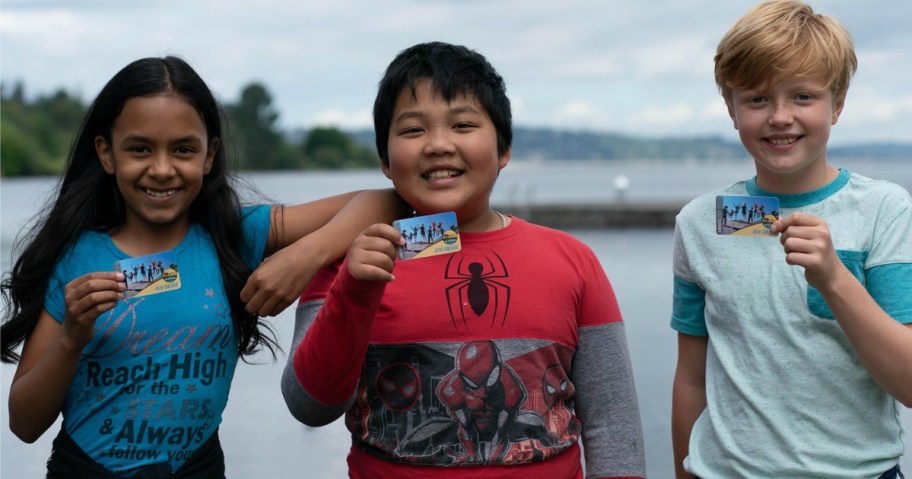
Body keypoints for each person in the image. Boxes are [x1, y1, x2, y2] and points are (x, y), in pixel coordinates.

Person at [0, 56, 405, 478]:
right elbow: (24, 424)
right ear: (106, 153)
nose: (161, 169)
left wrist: (306, 255)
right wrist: (71, 338)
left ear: (209, 155)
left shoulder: (235, 235)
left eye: (183, 150)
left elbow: (387, 201)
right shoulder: (77, 257)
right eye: (139, 149)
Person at [279, 41, 646, 479]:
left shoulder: (573, 261)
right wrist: (354, 292)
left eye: (463, 124)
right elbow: (310, 406)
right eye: (413, 130)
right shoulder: (347, 264)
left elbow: (612, 424)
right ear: (384, 159)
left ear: (504, 149)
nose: (438, 144)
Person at [670, 1, 912, 478]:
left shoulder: (885, 210)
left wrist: (835, 280)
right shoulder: (703, 221)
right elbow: (691, 379)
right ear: (732, 109)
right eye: (757, 99)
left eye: (803, 97)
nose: (780, 117)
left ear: (837, 103)